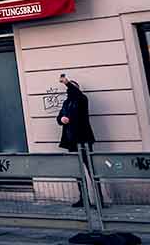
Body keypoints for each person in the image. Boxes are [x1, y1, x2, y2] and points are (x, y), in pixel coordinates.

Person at [57, 75, 97, 208]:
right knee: (79, 172)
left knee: (92, 170)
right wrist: (61, 119)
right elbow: (59, 117)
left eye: (71, 88)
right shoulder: (66, 103)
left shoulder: (82, 99)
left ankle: (98, 200)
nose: (69, 90)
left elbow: (77, 94)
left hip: (84, 139)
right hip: (72, 140)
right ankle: (83, 199)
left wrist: (67, 82)